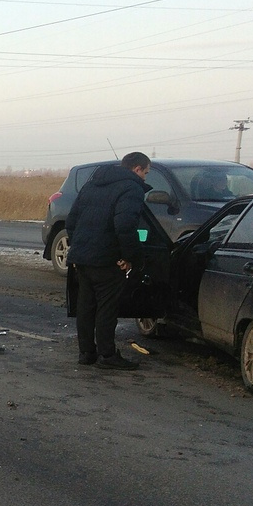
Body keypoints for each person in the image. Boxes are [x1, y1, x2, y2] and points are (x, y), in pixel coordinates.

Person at [66, 151, 150, 370]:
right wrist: (129, 256)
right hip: (107, 259)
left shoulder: (92, 184)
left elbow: (72, 220)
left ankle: (86, 353)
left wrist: (78, 248)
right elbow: (125, 225)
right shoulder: (131, 188)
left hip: (83, 257)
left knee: (85, 306)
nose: (145, 179)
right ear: (137, 169)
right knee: (106, 308)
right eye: (146, 173)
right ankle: (107, 355)